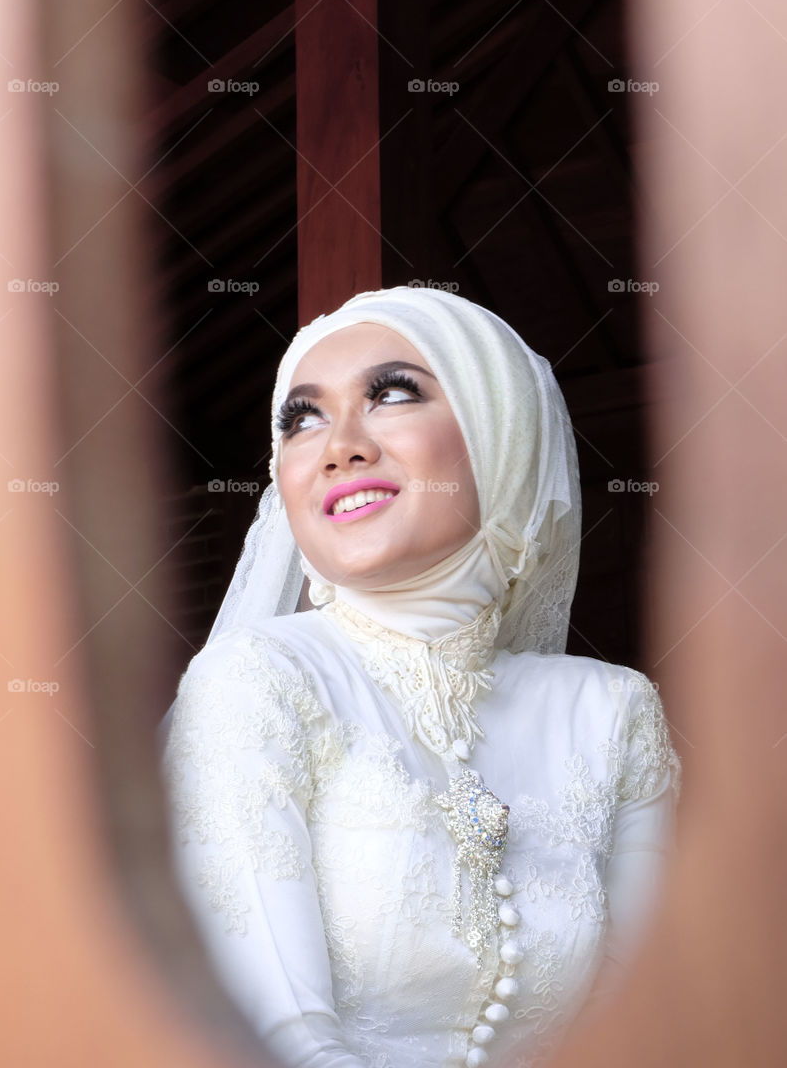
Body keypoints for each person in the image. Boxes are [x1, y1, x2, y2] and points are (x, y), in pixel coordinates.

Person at [159, 285, 681, 1068]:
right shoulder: (259, 681)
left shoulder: (611, 713)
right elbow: (274, 1033)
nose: (339, 445)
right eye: (301, 417)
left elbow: (647, 1024)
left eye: (391, 395)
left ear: (500, 428)